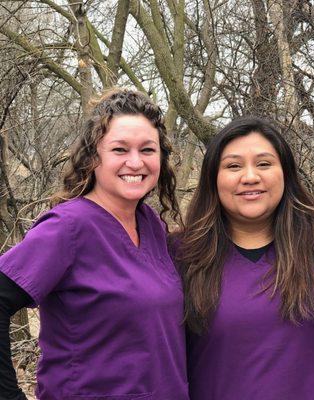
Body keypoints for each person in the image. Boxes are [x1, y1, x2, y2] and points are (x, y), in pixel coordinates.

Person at [0, 89, 189, 399]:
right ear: (92, 156)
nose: (135, 161)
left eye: (147, 150)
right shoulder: (68, 228)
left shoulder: (152, 226)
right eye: (119, 149)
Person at [169, 117, 314, 400]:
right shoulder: (182, 252)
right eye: (233, 166)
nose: (250, 177)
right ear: (212, 178)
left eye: (264, 164)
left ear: (286, 173)